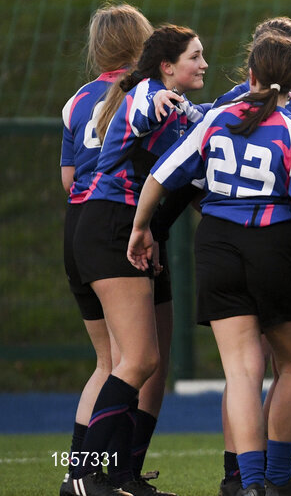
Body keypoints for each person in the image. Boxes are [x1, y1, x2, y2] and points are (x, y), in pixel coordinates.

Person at [128, 33, 291, 496]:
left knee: (241, 371)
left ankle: (248, 484)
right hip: (273, 245)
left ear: (249, 75)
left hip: (216, 245)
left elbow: (162, 174)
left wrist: (140, 228)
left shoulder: (216, 117)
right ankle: (276, 480)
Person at [66, 24, 208, 496]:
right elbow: (147, 108)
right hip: (108, 227)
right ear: (168, 66)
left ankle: (121, 477)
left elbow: (201, 121)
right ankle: (82, 475)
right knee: (136, 360)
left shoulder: (173, 101)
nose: (203, 64)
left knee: (137, 361)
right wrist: (160, 103)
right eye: (195, 56)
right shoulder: (149, 95)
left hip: (120, 229)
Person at [209, 16, 291, 496]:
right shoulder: (284, 121)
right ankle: (253, 476)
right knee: (266, 365)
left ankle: (249, 477)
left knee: (259, 367)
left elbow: (187, 172)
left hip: (256, 247)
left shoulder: (230, 109)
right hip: (285, 247)